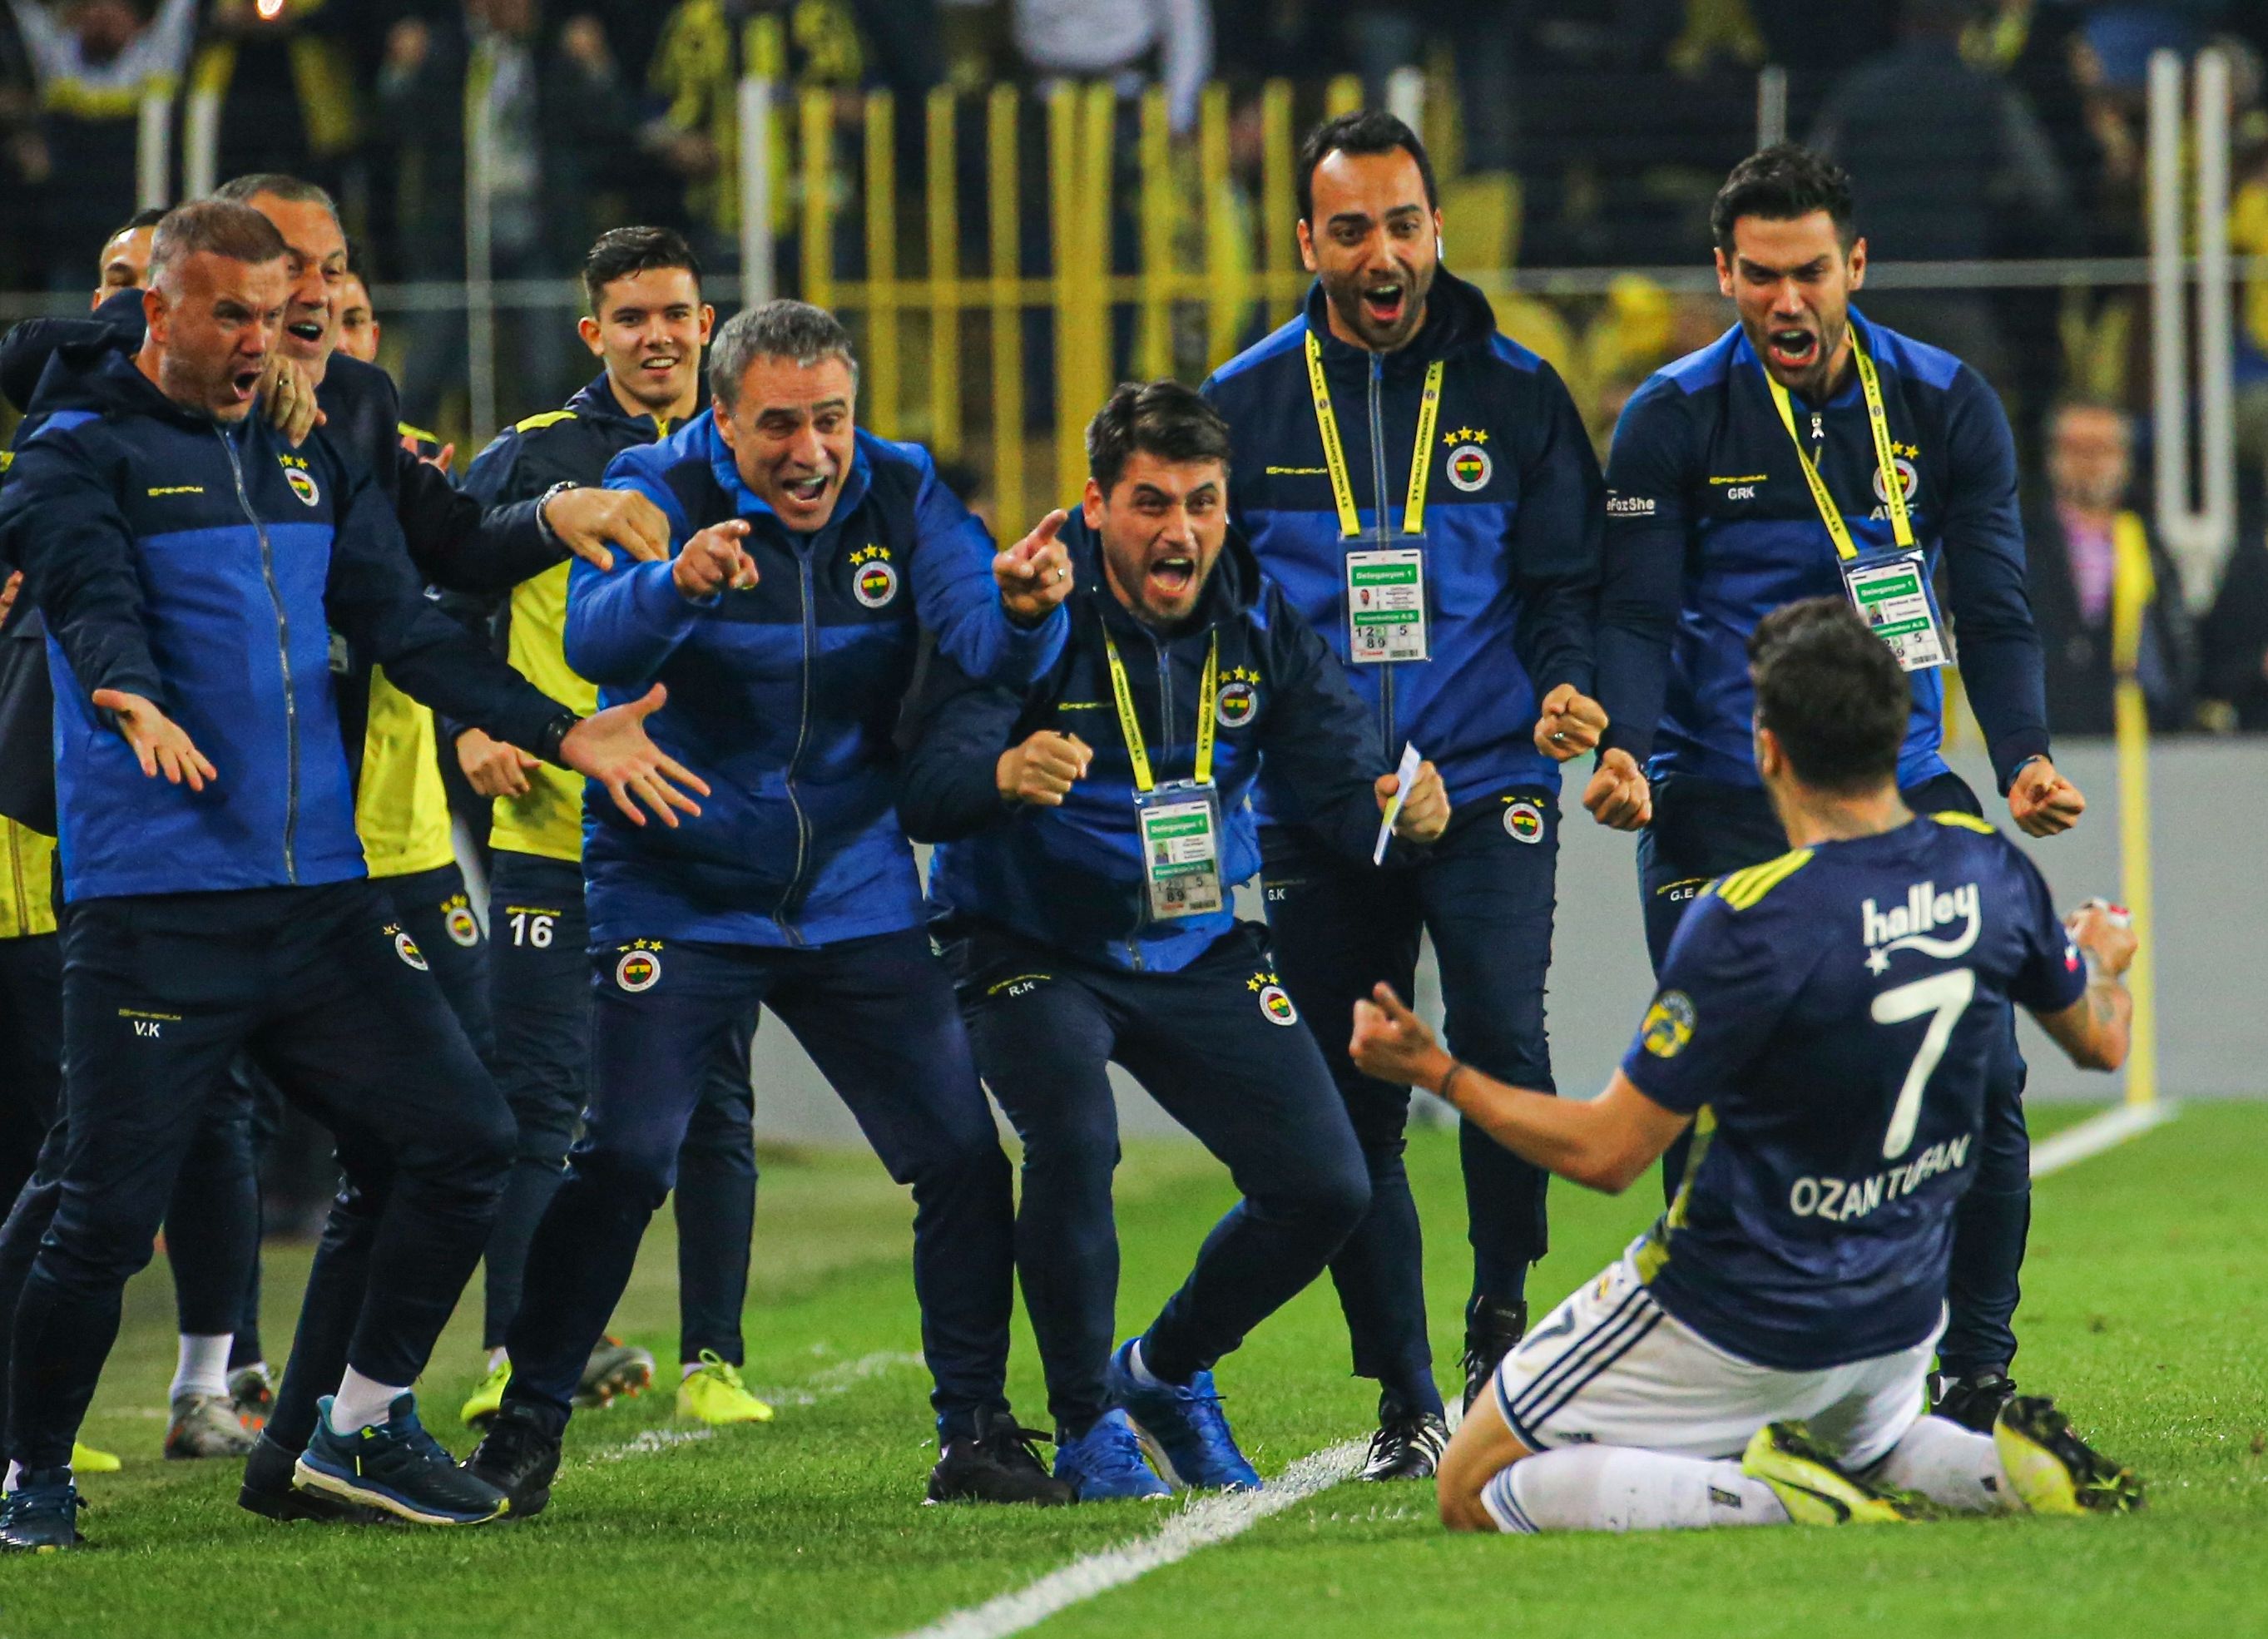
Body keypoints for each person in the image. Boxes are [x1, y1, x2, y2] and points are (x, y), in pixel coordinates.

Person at [0, 200, 704, 1549]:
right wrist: (131, 698)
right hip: (156, 900)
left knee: (464, 1140)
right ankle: (30, 1477)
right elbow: (88, 594)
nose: (265, 340)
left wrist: (562, 732)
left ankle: (361, 1422)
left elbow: (404, 623)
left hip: (321, 895)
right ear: (156, 311)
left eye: (280, 311)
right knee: (101, 1209)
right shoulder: (83, 442)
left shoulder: (320, 440)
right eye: (235, 315)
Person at [458, 300, 1079, 1516]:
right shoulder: (651, 479)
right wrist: (677, 584)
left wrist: (1019, 606)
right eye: (780, 427)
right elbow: (590, 637)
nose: (810, 452)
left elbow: (977, 644)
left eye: (831, 420)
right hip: (674, 888)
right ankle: (525, 1426)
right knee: (626, 1155)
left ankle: (976, 1433)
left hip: (850, 888)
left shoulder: (902, 492)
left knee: (961, 1156)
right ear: (724, 422)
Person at [1352, 597, 2145, 1536]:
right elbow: (2100, 1041)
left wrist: (1436, 1068)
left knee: (1475, 1483)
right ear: (1900, 732)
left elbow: (1609, 1153)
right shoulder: (1985, 865)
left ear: (1765, 748)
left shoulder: (1748, 917)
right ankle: (1996, 1470)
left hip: (1742, 1312)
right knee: (1877, 1436)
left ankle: (1775, 1498)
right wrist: (2095, 957)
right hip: (1896, 1312)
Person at [1597, 143, 2086, 1432]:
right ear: (1722, 274)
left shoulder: (1941, 401)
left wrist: (2020, 752)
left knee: (1980, 1075)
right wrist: (1623, 755)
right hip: (1717, 791)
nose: (1785, 302)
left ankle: (1974, 1378)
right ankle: (1728, 1384)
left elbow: (1991, 598)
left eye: (1809, 271)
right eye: (1757, 277)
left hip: (1903, 785)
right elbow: (1636, 618)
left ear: (1854, 265)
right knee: (1712, 1097)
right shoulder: (1669, 417)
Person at [900, 381, 1448, 1498]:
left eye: (1202, 501)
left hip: (1193, 939)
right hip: (1025, 937)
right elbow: (926, 781)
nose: (1181, 530)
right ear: (1095, 505)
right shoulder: (1027, 608)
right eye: (1151, 502)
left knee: (1326, 1184)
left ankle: (1163, 1369)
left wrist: (1400, 808)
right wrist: (1003, 776)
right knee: (1073, 1134)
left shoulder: (1256, 613)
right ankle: (1087, 1422)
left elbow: (1340, 784)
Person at [1201, 110, 1626, 1480]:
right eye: (1350, 229)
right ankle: (1399, 1394)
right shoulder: (1246, 404)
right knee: (1353, 1097)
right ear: (1306, 242)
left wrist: (1567, 687)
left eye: (1401, 224)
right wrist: (1320, 768)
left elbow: (1566, 588)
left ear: (1437, 229)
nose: (1380, 255)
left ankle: (1502, 1326)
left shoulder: (1516, 390)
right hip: (1326, 801)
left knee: (1501, 1033)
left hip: (1493, 774)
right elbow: (1217, 614)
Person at [457, 226, 770, 1429]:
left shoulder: (752, 451)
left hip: (705, 829)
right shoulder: (535, 457)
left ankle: (715, 1360)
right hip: (555, 824)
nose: (657, 335)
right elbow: (440, 594)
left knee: (716, 1099)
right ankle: (508, 1351)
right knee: (537, 1099)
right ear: (594, 331)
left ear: (706, 323)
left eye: (676, 314)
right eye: (631, 317)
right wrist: (470, 727)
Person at [2025, 399, 2194, 735]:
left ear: (2125, 460)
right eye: (2075, 448)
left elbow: (2176, 645)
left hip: (2132, 739)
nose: (2089, 463)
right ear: (2051, 457)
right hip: (2040, 733)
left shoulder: (2147, 544)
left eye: (2102, 449)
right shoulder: (2019, 540)